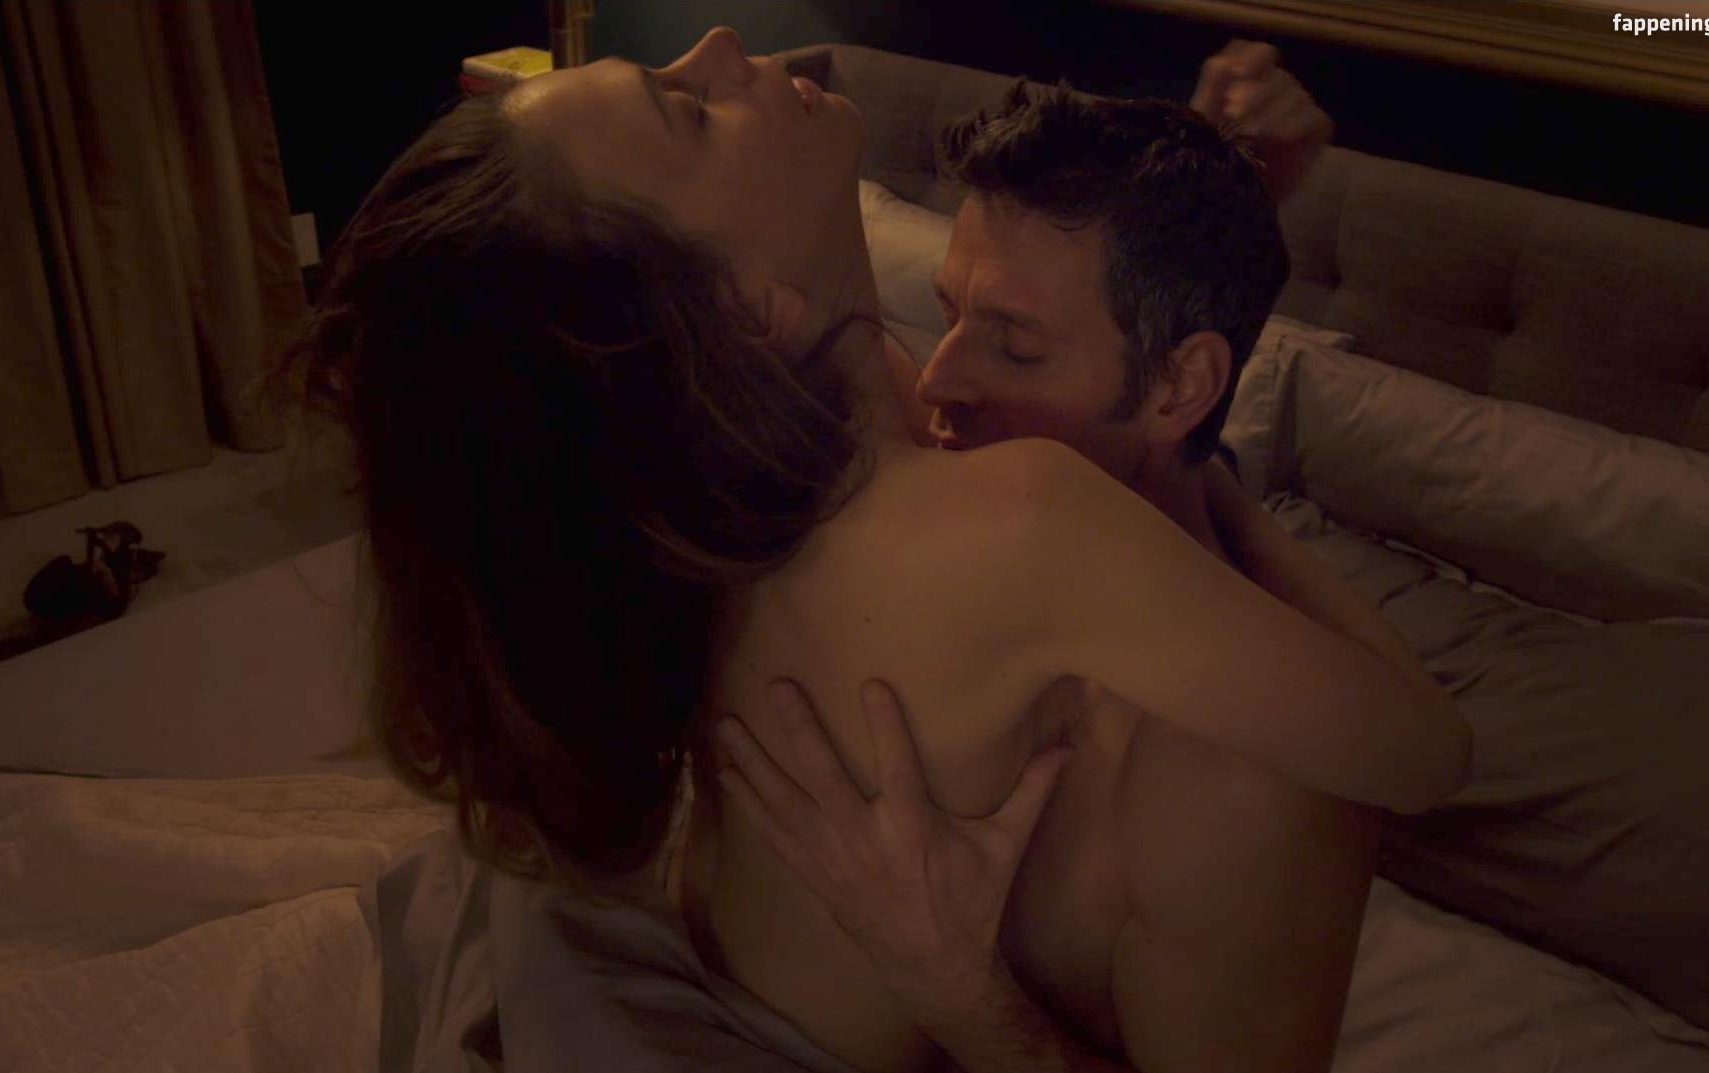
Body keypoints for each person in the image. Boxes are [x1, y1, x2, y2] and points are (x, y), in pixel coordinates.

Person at [286, 26, 1467, 1073]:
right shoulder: (1022, 521)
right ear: (745, 307)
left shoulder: (717, 468)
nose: (721, 44)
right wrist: (1195, 454)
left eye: (1009, 338)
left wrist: (1215, 215)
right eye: (686, 109)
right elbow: (1425, 753)